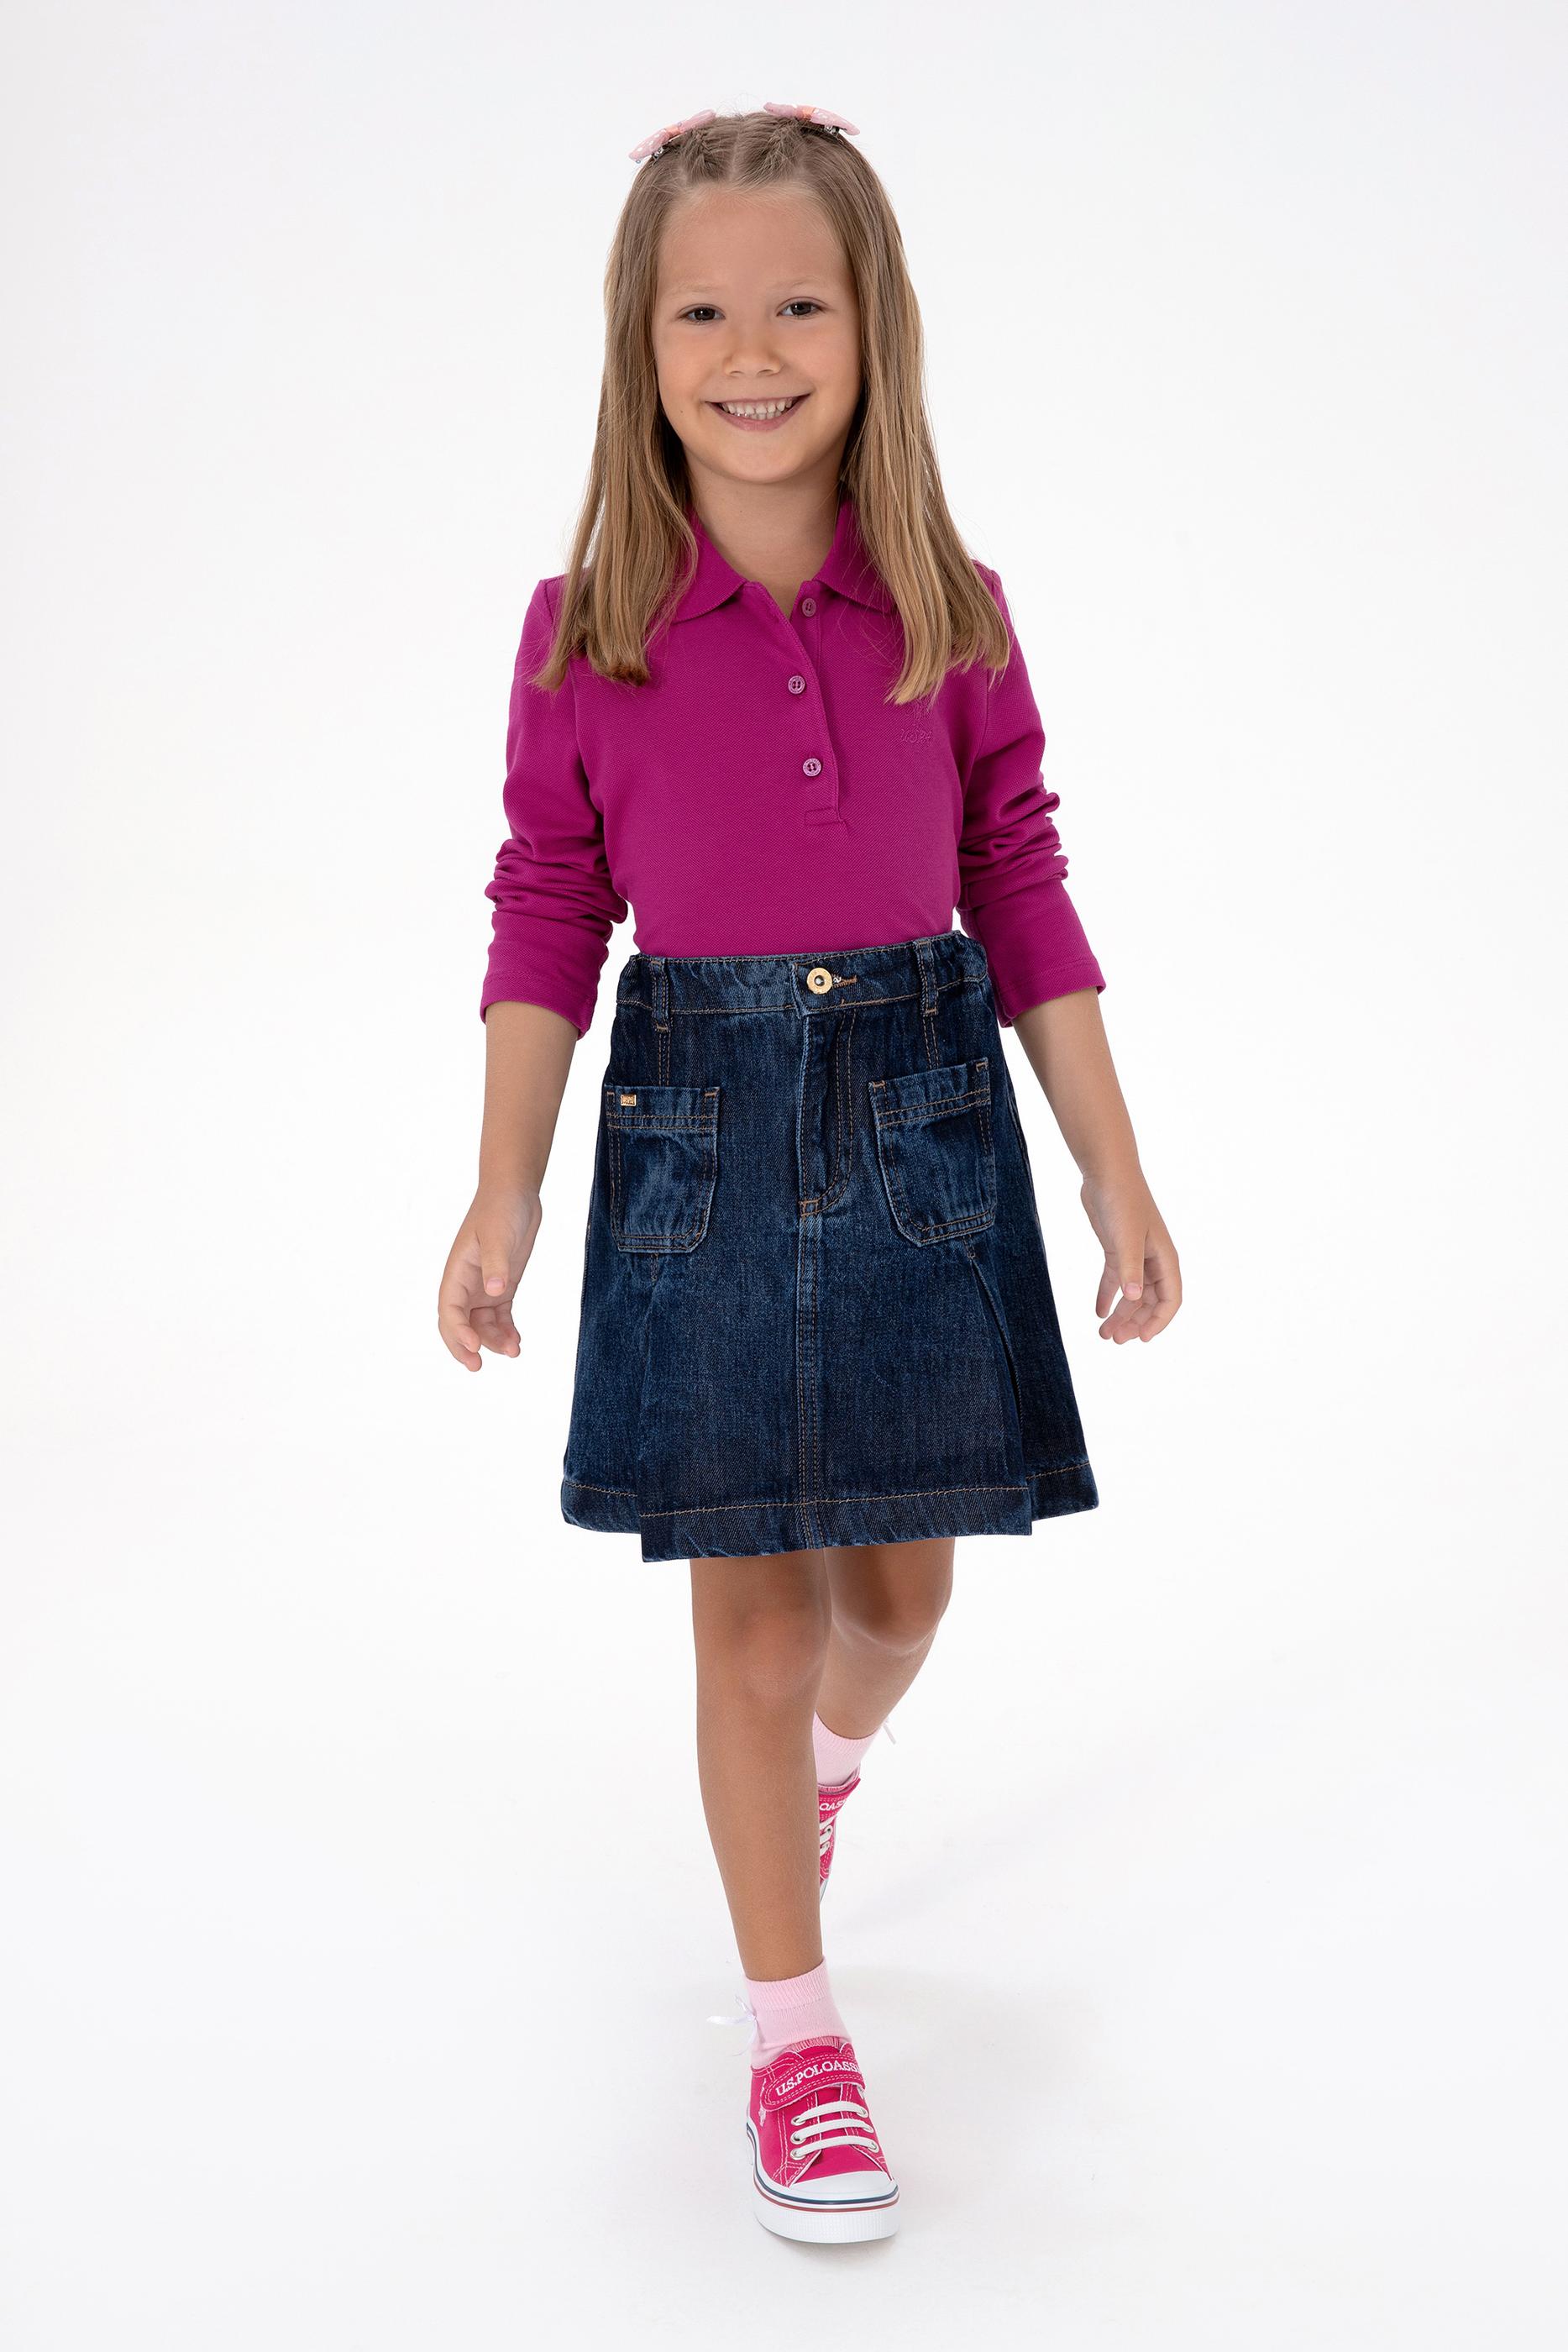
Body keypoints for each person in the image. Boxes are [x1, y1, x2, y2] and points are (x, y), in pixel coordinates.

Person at [437, 102, 1182, 2244]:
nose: (750, 352)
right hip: (694, 1136)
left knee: (898, 1600)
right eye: (701, 313)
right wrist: (503, 1189)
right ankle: (795, 2033)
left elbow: (1018, 886)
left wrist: (1113, 1167)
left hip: (924, 1125)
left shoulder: (953, 608)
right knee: (751, 1626)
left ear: (871, 330)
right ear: (638, 342)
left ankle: (815, 1788)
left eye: (795, 306)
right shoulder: (583, 629)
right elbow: (545, 908)